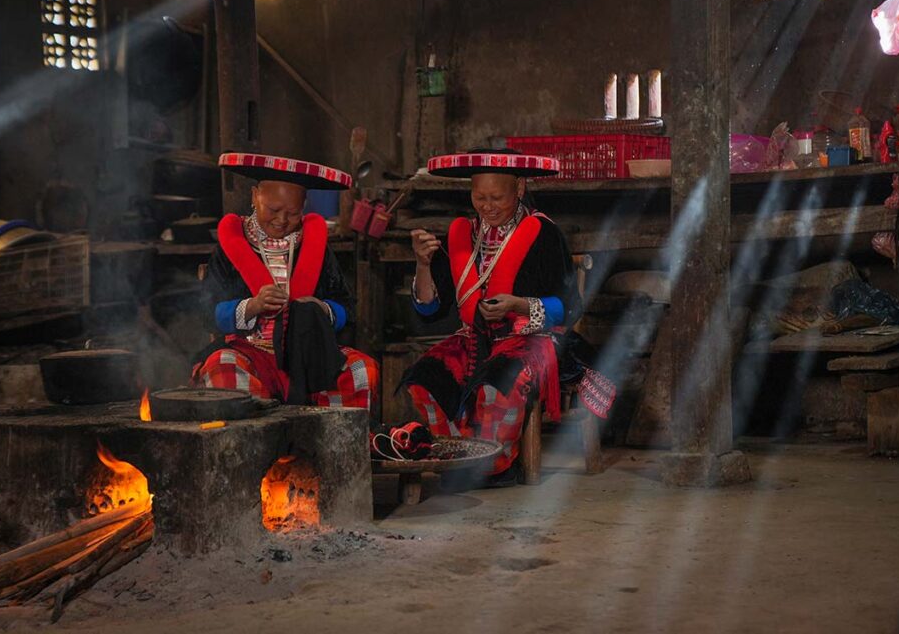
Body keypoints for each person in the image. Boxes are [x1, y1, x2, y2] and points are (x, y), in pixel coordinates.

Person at [401, 149, 615, 487]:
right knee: (424, 379)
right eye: (479, 196)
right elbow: (430, 310)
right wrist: (423, 264)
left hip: (532, 338)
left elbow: (570, 307)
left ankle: (495, 466)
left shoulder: (544, 234)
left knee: (497, 383)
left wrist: (519, 305)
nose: (487, 206)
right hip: (474, 338)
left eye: (496, 197)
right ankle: (455, 456)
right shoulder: (465, 236)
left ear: (518, 188)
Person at [193, 153, 378, 410]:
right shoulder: (231, 247)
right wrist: (253, 306)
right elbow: (205, 313)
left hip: (309, 354)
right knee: (224, 368)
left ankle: (330, 447)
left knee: (360, 369)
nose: (282, 221)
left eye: (293, 213)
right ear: (255, 196)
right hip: (249, 351)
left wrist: (321, 308)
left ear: (305, 206)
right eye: (274, 210)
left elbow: (348, 307)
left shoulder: (316, 248)